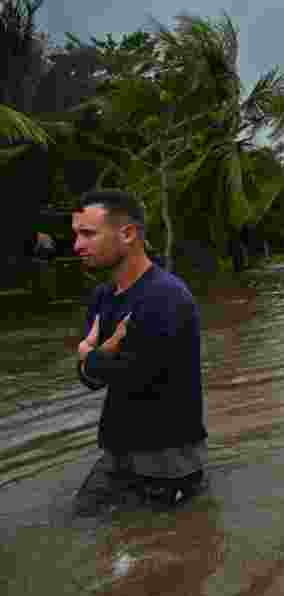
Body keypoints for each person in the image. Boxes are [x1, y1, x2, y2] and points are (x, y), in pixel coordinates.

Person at [71, 189, 208, 516]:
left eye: (87, 234)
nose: (77, 245)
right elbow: (90, 380)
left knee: (156, 552)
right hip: (119, 451)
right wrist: (100, 354)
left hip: (167, 461)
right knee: (81, 521)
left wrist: (89, 354)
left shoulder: (166, 297)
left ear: (128, 233)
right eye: (76, 235)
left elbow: (135, 375)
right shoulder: (103, 297)